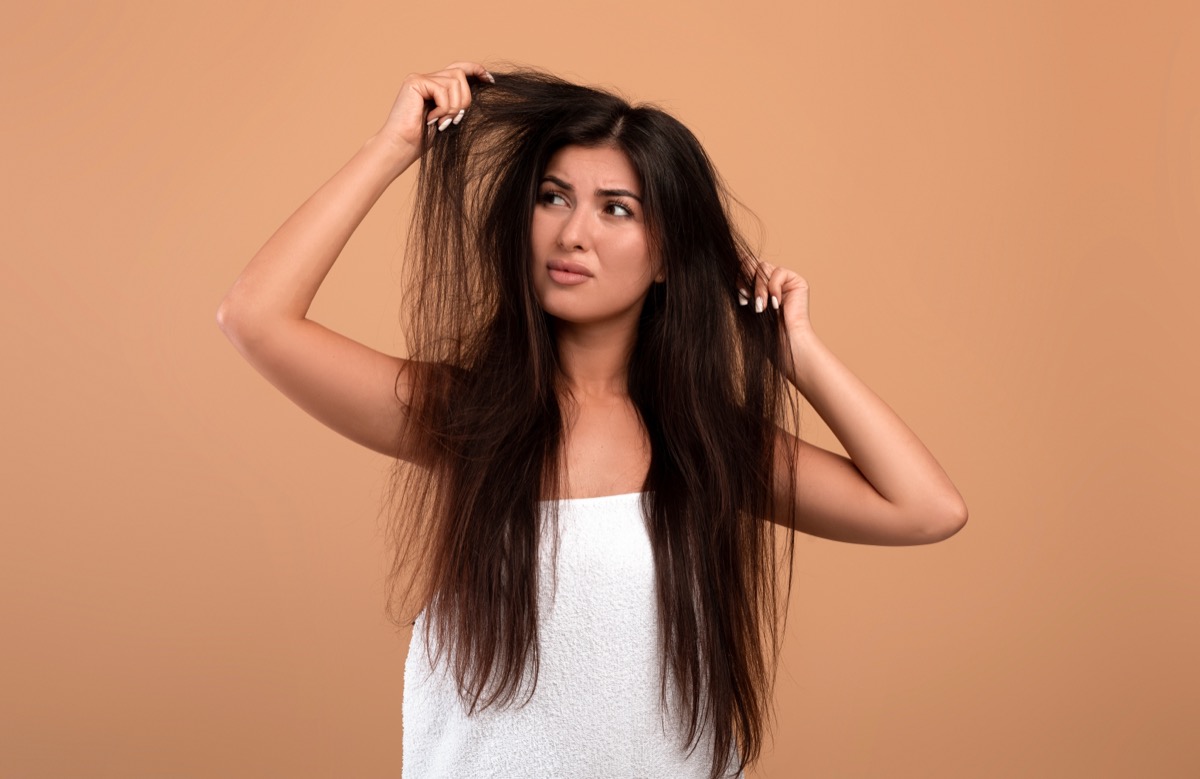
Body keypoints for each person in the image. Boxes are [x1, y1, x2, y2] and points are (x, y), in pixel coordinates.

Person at [217, 61, 968, 779]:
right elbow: (255, 318)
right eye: (553, 198)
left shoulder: (707, 441)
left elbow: (927, 509)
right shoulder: (464, 415)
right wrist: (393, 147)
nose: (573, 233)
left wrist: (793, 351)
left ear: (668, 256)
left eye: (616, 208)